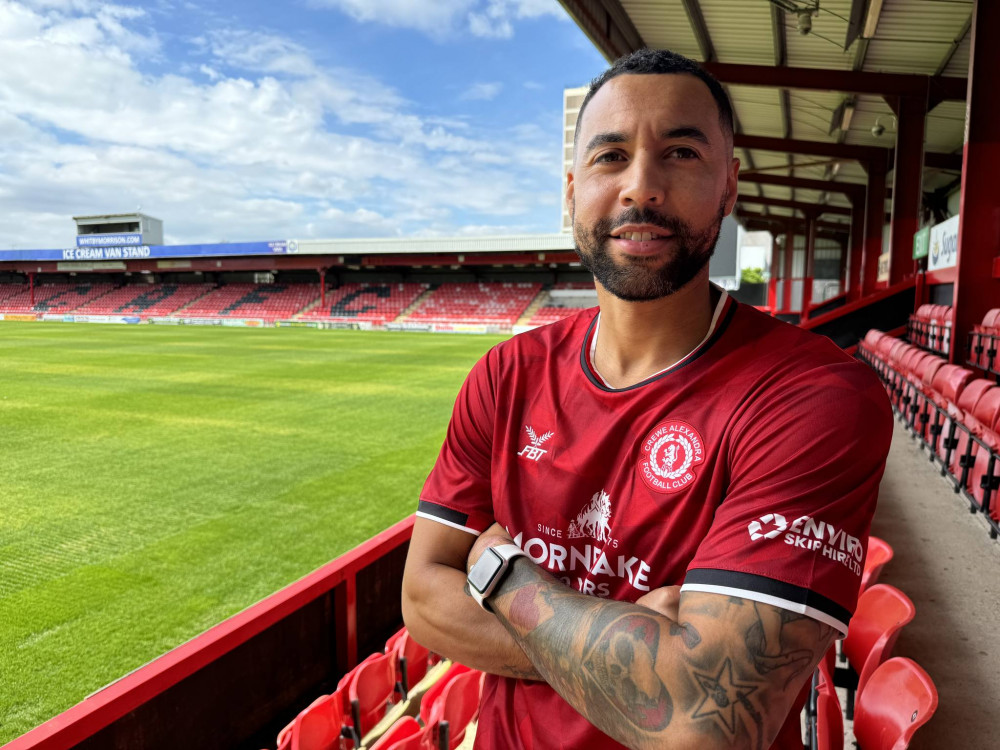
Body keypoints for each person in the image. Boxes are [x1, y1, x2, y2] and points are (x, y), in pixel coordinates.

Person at [401, 47, 892, 750]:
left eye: (681, 153)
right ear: (571, 189)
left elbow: (704, 720)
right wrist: (633, 651)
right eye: (610, 157)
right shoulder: (506, 375)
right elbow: (421, 597)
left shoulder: (813, 397)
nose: (641, 187)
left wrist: (501, 576)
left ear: (729, 185)